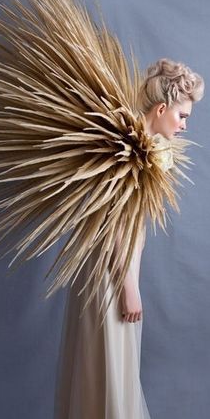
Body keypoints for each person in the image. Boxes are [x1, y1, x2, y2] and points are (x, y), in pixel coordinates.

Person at [53, 58, 204, 419]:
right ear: (162, 108)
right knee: (109, 364)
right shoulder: (132, 154)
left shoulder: (141, 148)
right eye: (183, 116)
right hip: (110, 273)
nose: (185, 125)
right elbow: (121, 229)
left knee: (103, 366)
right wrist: (128, 286)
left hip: (104, 269)